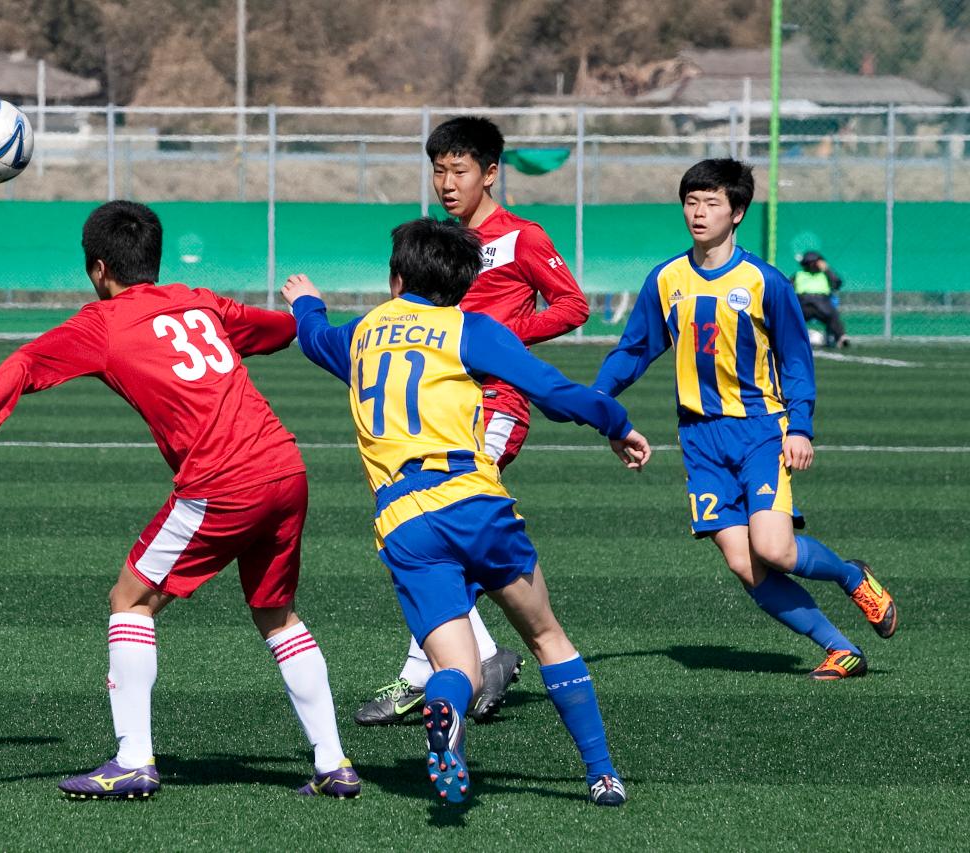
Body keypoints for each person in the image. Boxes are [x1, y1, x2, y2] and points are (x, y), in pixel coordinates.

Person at [0, 200, 360, 800]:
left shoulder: (102, 324)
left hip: (222, 483)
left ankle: (132, 760)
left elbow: (22, 366)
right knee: (276, 613)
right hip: (285, 468)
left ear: (99, 269)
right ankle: (334, 764)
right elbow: (280, 330)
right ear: (154, 257)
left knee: (130, 599)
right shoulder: (201, 301)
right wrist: (308, 308)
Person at [284, 217, 651, 806]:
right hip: (473, 501)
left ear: (395, 275)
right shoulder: (468, 327)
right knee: (545, 635)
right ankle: (601, 773)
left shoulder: (361, 334)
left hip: (403, 519)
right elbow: (553, 393)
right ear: (461, 285)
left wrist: (308, 305)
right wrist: (618, 424)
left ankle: (446, 712)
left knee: (459, 669)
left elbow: (312, 338)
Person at [592, 159, 896, 681]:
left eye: (711, 203)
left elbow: (797, 360)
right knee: (743, 563)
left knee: (774, 548)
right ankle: (840, 649)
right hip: (699, 439)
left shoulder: (765, 281)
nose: (698, 212)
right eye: (691, 201)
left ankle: (851, 576)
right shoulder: (667, 280)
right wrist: (597, 398)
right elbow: (635, 349)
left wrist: (800, 426)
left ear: (737, 212)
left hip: (760, 430)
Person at [355, 115, 591, 727]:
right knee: (438, 532)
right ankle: (481, 655)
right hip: (443, 410)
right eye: (438, 170)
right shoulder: (442, 239)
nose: (446, 181)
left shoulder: (522, 238)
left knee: (445, 525)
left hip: (496, 405)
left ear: (490, 173)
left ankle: (426, 672)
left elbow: (573, 305)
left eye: (459, 170)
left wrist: (507, 336)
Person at [790, 250, 848, 347]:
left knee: (833, 316)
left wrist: (827, 269)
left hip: (822, 303)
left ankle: (841, 338)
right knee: (791, 318)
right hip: (803, 304)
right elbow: (788, 287)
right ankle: (787, 338)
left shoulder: (825, 274)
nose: (813, 265)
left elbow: (837, 283)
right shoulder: (798, 275)